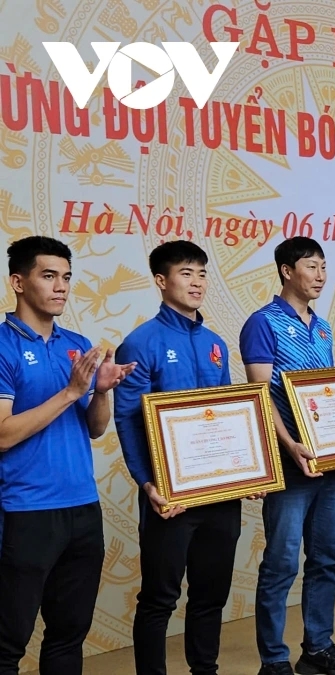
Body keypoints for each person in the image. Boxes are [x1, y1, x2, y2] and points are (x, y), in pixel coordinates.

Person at [241, 237, 335, 675]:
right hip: (290, 465)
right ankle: (274, 659)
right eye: (311, 266)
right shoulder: (262, 323)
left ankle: (318, 648)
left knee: (325, 559)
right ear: (287, 271)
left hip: (328, 465)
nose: (320, 275)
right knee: (281, 564)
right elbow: (261, 395)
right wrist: (289, 445)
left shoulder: (322, 327)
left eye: (323, 266)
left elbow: (328, 396)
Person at [0, 237, 134, 675]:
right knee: (8, 641)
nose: (61, 286)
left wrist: (102, 391)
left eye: (67, 277)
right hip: (26, 510)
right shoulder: (3, 345)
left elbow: (95, 428)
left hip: (82, 507)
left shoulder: (77, 344)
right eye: (48, 275)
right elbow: (2, 435)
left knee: (68, 636)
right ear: (18, 282)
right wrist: (73, 391)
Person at [114, 241, 249, 675]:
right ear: (161, 280)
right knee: (159, 598)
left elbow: (228, 414)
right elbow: (128, 420)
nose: (197, 282)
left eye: (202, 273)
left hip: (220, 494)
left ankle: (204, 670)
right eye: (186, 273)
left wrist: (248, 472)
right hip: (169, 496)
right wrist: (148, 483)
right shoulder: (140, 343)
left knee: (211, 594)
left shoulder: (215, 344)